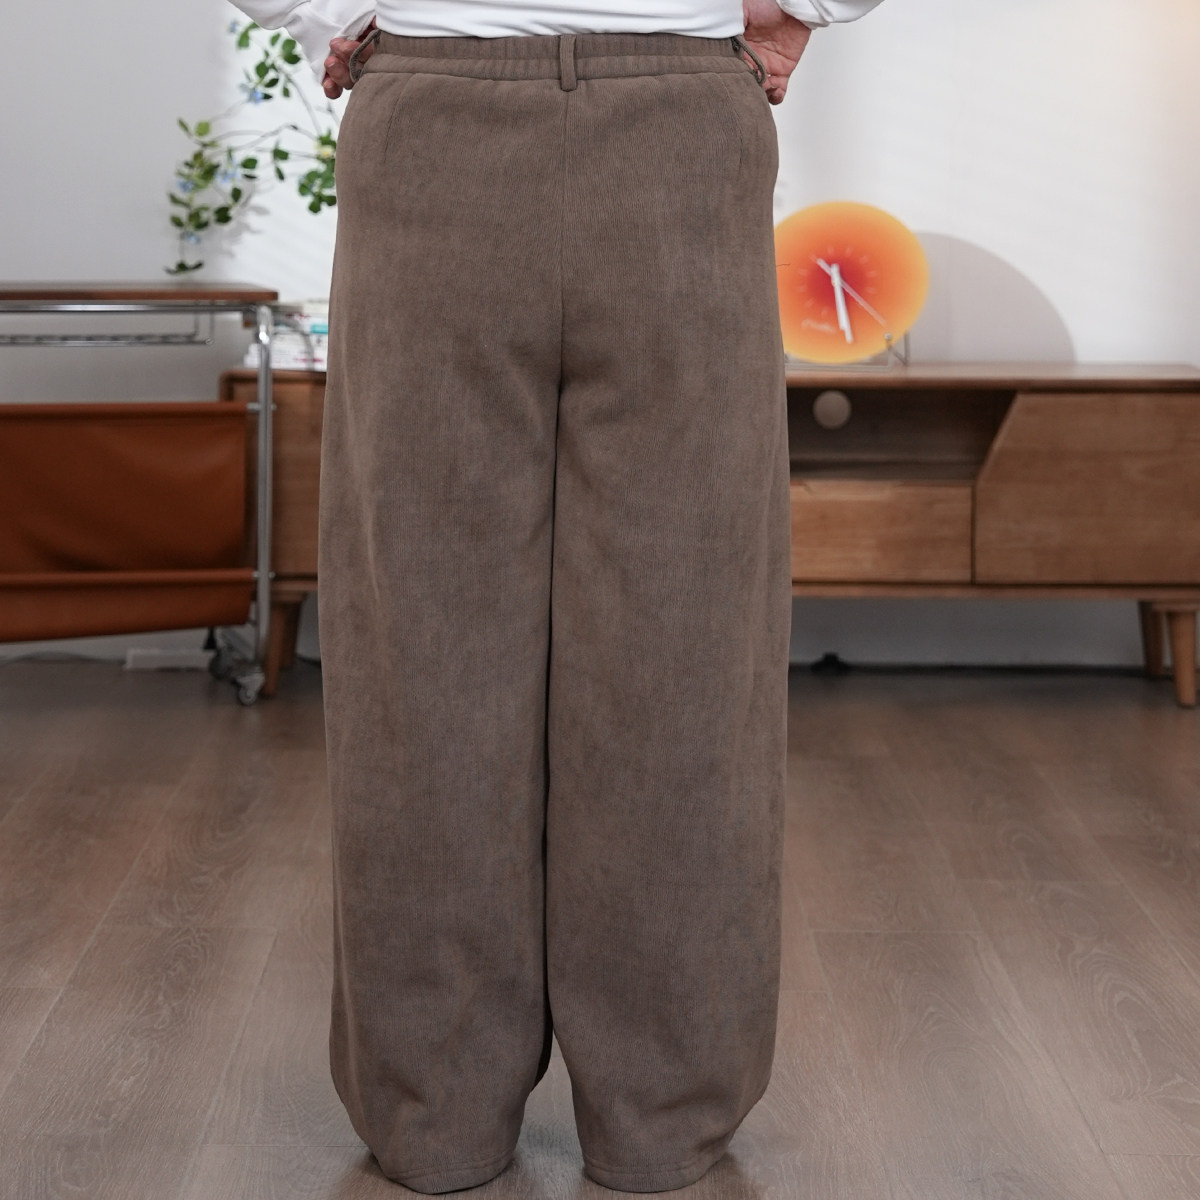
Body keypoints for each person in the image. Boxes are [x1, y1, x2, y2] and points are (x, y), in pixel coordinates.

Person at [225, 0, 883, 1192]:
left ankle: (431, 1111)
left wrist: (344, 9)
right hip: (677, 129)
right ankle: (665, 1117)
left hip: (435, 128)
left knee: (420, 649)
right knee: (684, 645)